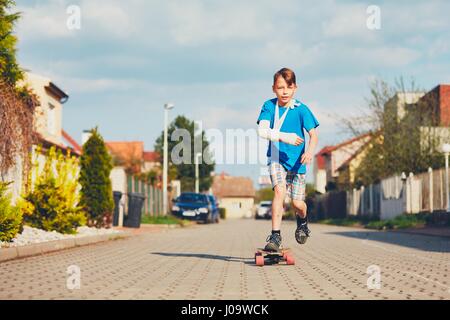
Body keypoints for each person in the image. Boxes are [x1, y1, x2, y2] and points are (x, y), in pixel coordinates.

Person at [256, 67, 319, 251]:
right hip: (276, 157)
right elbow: (262, 131)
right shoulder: (269, 106)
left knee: (297, 204)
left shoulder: (301, 109)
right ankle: (275, 236)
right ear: (274, 88)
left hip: (298, 162)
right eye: (280, 87)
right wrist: (286, 137)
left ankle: (303, 221)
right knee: (279, 193)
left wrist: (309, 151)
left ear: (295, 88)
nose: (284, 92)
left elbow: (313, 135)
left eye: (288, 87)